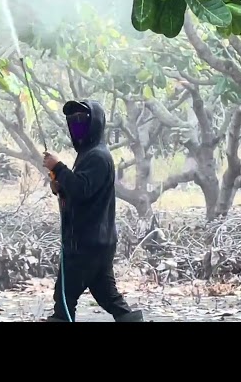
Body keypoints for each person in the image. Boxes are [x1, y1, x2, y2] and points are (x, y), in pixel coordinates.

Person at [41, 99, 144, 322]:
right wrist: (59, 186)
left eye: (81, 120)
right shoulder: (90, 154)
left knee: (64, 298)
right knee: (107, 295)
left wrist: (58, 167)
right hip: (97, 240)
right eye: (72, 120)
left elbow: (82, 189)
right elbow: (82, 190)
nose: (76, 125)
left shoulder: (97, 156)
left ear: (95, 123)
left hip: (86, 242)